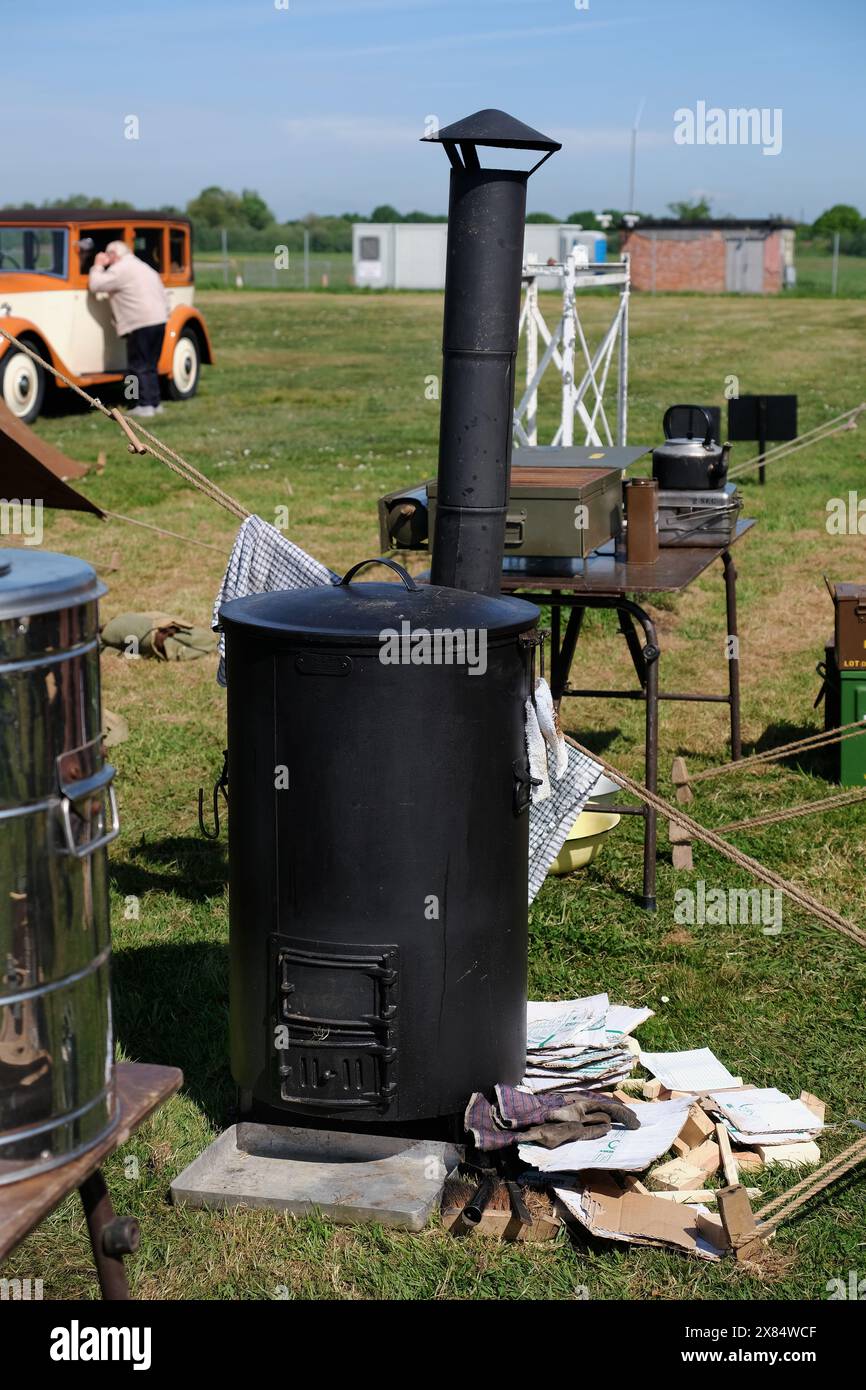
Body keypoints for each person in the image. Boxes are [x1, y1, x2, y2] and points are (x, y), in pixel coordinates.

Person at [88, 241, 169, 417]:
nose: (107, 259)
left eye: (108, 255)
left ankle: (139, 403)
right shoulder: (145, 267)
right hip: (159, 320)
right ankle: (154, 403)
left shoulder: (121, 268)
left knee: (136, 366)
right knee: (150, 365)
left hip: (139, 323)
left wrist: (97, 266)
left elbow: (96, 285)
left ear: (115, 254)